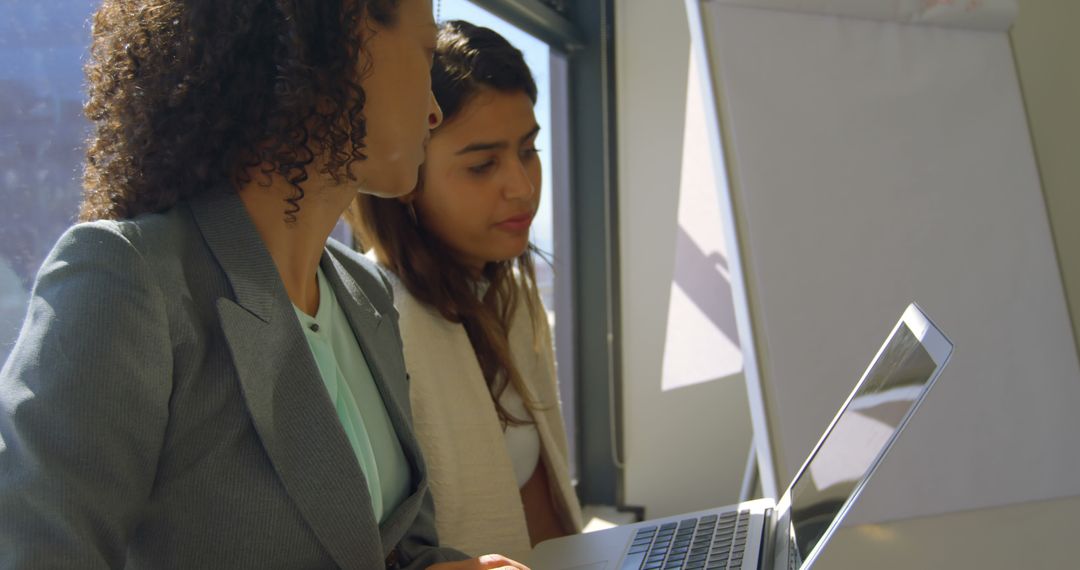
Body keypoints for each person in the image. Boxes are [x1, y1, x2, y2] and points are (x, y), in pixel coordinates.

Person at [0, 0, 528, 568]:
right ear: (335, 50)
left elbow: (387, 548)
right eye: (425, 56)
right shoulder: (125, 277)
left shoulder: (367, 294)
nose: (432, 112)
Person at [349, 20, 583, 561]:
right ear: (407, 174)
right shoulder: (377, 322)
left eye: (529, 149)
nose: (522, 187)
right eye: (482, 166)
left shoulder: (511, 297)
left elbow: (544, 514)